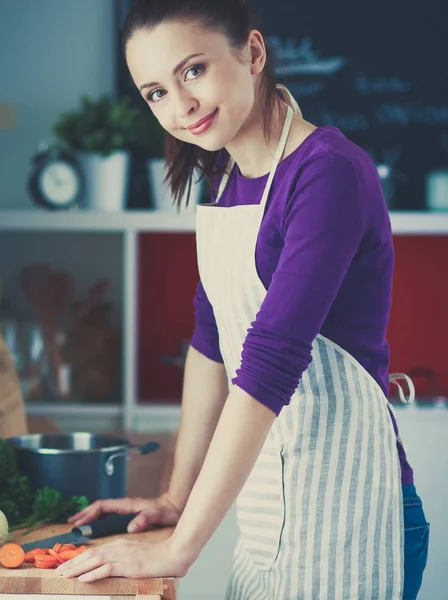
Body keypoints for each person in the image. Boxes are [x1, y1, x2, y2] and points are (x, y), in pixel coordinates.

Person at [55, 1, 430, 597]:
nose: (181, 106)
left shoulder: (326, 171)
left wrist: (180, 551)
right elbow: (210, 342)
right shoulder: (226, 179)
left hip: (354, 516)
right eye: (155, 93)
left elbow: (270, 361)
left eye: (194, 71)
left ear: (253, 53)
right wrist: (176, 497)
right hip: (266, 523)